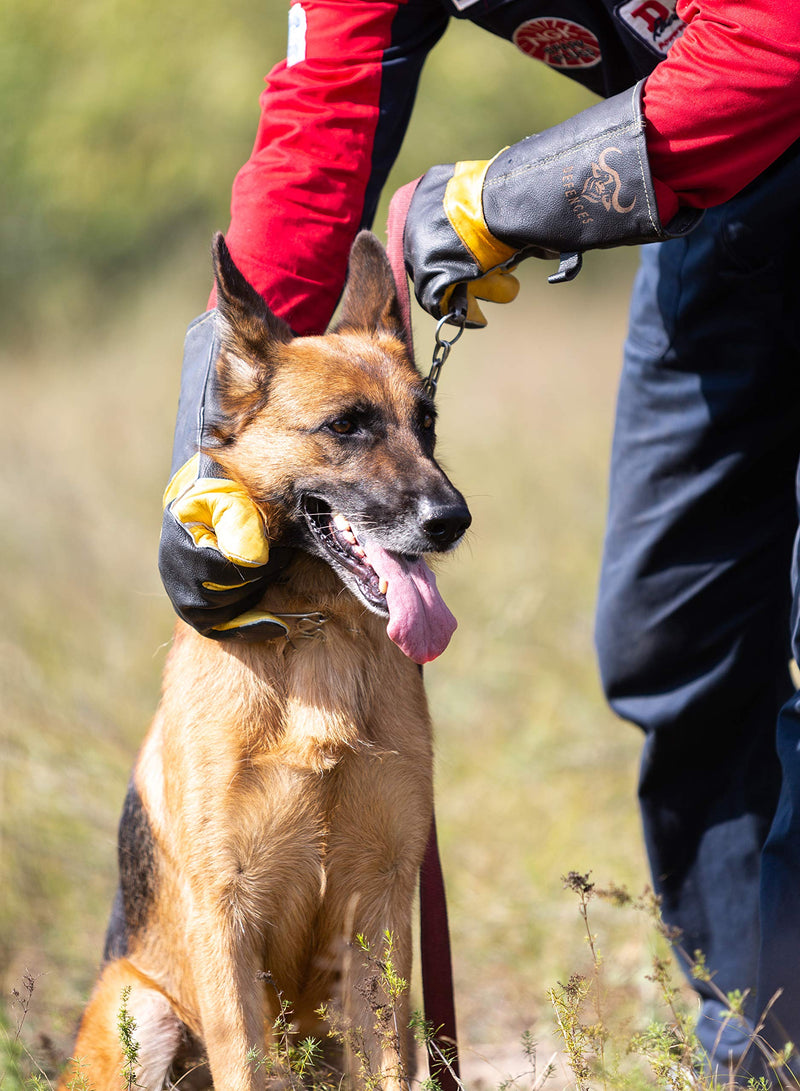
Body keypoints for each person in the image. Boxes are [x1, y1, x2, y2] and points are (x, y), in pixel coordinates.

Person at [158, 0, 800, 1081]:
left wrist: (501, 198)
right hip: (727, 213)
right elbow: (319, 122)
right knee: (676, 651)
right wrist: (206, 462)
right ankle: (769, 1051)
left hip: (755, 127)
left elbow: (778, 42)